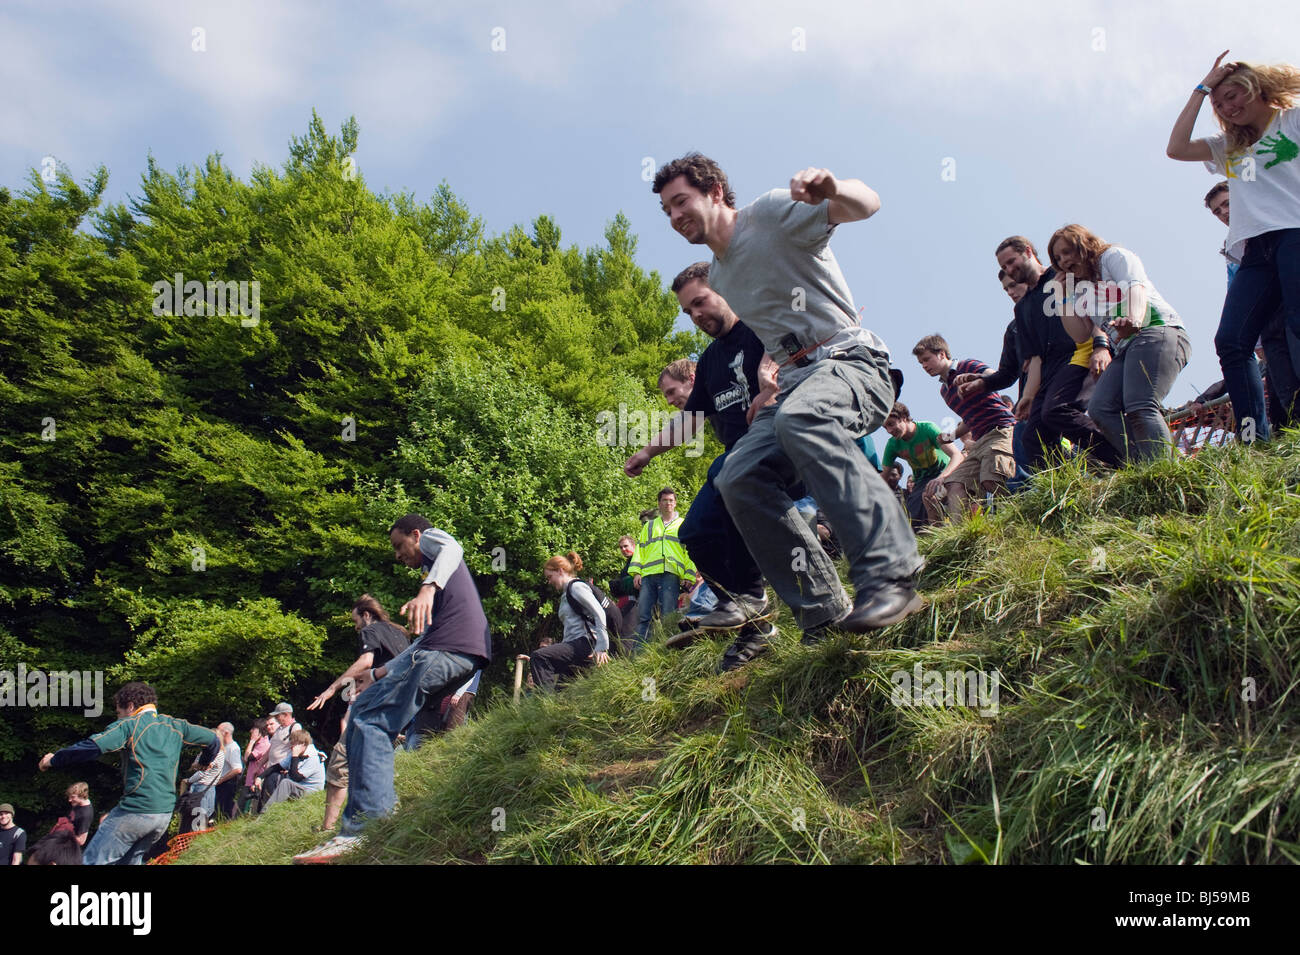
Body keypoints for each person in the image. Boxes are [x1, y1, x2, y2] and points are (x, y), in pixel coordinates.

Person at [652, 154, 924, 641]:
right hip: (798, 384)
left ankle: (890, 573)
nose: (675, 217)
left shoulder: (770, 215)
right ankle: (822, 611)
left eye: (681, 202)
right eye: (667, 211)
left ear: (715, 192)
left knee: (803, 419)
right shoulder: (722, 276)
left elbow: (869, 204)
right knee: (736, 476)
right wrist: (767, 379)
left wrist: (834, 187)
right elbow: (772, 337)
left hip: (850, 362)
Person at [295, 514, 491, 863]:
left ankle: (368, 826)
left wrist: (427, 588)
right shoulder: (439, 582)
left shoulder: (434, 547)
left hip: (451, 650)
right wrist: (381, 672)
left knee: (371, 718)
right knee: (362, 715)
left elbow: (453, 545)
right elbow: (422, 643)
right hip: (443, 649)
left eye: (400, 546)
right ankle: (361, 818)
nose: (398, 555)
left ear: (415, 535)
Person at [625, 263, 780, 669]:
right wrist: (647, 452)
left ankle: (763, 601)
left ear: (725, 290)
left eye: (700, 302)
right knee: (695, 532)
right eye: (687, 312)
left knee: (725, 480)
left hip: (778, 447)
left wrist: (771, 391)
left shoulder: (763, 328)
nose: (696, 316)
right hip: (737, 465)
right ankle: (747, 613)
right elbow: (690, 421)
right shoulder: (710, 361)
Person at [1168, 52, 1300, 442]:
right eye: (1220, 102)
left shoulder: (1291, 121)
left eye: (1234, 94)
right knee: (1231, 340)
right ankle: (1253, 437)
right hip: (1255, 250)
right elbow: (1175, 148)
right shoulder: (1232, 148)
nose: (1229, 106)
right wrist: (1201, 88)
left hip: (1295, 232)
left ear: (1257, 88)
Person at [958, 237, 1120, 470]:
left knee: (1057, 411)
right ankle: (1070, 484)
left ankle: (1127, 455)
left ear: (1028, 252)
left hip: (1080, 353)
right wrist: (1028, 396)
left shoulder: (1061, 274)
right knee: (1032, 438)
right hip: (1051, 370)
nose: (1010, 270)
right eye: (1004, 268)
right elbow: (1035, 359)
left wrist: (1100, 344)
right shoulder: (1022, 309)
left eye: (1012, 262)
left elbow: (1093, 310)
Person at [1047, 225, 1191, 463]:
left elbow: (1135, 287)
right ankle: (1145, 469)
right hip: (1126, 349)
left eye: (1067, 252)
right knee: (1101, 408)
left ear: (1084, 244)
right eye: (1057, 258)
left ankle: (1165, 470)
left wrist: (1133, 319)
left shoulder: (1113, 256)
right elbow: (1081, 335)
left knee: (1141, 405)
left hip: (1157, 332)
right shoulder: (1081, 291)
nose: (1063, 261)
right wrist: (1062, 296)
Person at [38, 682, 219, 865]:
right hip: (162, 815)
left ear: (131, 706)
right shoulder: (176, 725)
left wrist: (53, 759)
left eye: (118, 712)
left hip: (136, 809)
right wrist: (205, 761)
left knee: (92, 861)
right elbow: (213, 740)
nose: (119, 717)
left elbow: (91, 747)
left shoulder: (129, 726)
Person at [1204, 180, 1300, 430]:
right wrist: (1255, 342)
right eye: (1217, 211)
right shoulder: (1233, 248)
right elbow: (1235, 290)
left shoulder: (1281, 220)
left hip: (1290, 308)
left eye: (1227, 204)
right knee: (1287, 390)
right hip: (1268, 325)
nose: (1223, 212)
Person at [912, 335, 1019, 515]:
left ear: (942, 354)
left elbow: (997, 376)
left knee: (992, 479)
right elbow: (969, 419)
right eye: (920, 363)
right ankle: (961, 537)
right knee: (956, 484)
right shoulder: (945, 391)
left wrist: (977, 378)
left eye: (926, 359)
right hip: (979, 441)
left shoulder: (966, 366)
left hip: (1000, 429)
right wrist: (952, 436)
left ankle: (1019, 514)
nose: (924, 366)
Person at [529, 553, 611, 689]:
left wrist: (602, 647)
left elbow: (599, 612)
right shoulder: (566, 594)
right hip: (574, 646)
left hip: (585, 644)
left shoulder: (576, 587)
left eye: (550, 577)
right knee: (560, 692)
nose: (549, 582)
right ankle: (550, 709)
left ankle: (546, 705)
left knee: (539, 657)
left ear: (560, 571)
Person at [626, 487, 697, 645]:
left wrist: (689, 576)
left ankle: (668, 649)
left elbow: (690, 552)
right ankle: (640, 654)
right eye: (664, 500)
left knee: (668, 615)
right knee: (644, 616)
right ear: (659, 503)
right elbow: (640, 549)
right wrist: (636, 572)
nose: (668, 503)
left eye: (671, 500)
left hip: (670, 575)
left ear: (675, 503)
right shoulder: (649, 526)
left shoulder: (683, 525)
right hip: (649, 575)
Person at [880, 402, 963, 527]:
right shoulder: (892, 444)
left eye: (891, 424)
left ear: (903, 417)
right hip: (922, 482)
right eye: (885, 427)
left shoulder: (927, 428)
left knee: (931, 494)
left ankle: (946, 532)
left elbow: (957, 455)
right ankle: (934, 539)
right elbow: (882, 478)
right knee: (912, 518)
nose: (889, 431)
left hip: (945, 473)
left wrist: (941, 478)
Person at [257, 729, 325, 807]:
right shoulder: (296, 755)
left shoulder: (313, 758)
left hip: (309, 791)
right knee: (273, 776)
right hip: (299, 787)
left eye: (293, 744)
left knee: (286, 783)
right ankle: (263, 807)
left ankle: (267, 812)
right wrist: (260, 777)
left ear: (302, 744)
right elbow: (277, 767)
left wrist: (295, 756)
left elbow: (296, 778)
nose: (291, 747)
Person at [239, 716, 274, 815]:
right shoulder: (259, 744)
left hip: (254, 784)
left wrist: (252, 741)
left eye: (253, 729)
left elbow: (247, 757)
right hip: (250, 782)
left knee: (244, 810)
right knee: (240, 809)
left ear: (259, 731)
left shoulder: (264, 744)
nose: (251, 731)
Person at [213, 722, 244, 820]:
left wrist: (222, 779)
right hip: (219, 784)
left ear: (226, 733)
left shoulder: (233, 747)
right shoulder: (223, 747)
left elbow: (237, 769)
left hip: (226, 784)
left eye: (219, 731)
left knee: (223, 811)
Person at [53, 783, 94, 847]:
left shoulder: (85, 815)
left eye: (72, 797)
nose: (69, 800)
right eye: (69, 797)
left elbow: (81, 841)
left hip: (68, 847)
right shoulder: (78, 803)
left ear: (82, 795)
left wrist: (64, 833)